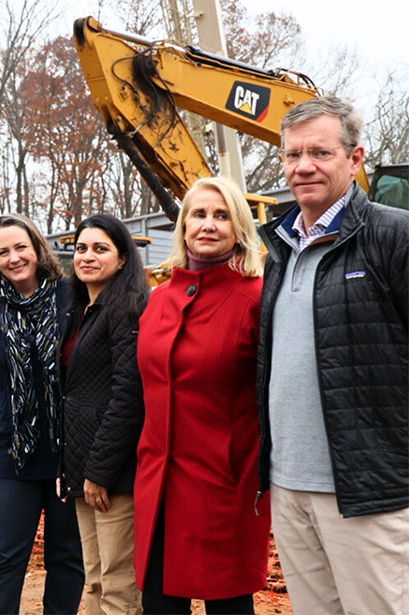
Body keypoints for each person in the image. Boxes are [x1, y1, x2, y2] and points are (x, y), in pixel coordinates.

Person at [256, 96, 409, 613]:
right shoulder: (278, 249)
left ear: (355, 158)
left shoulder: (393, 236)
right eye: (292, 154)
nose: (303, 166)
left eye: (319, 153)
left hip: (369, 490)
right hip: (288, 484)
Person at [135, 176, 269, 614]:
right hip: (159, 485)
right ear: (184, 225)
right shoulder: (158, 300)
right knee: (158, 603)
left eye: (221, 215)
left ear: (239, 228)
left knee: (228, 605)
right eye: (198, 214)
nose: (208, 225)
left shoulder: (256, 298)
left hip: (224, 484)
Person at [0, 213, 84, 614]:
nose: (14, 257)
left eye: (21, 247)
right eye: (4, 252)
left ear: (37, 249)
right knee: (2, 560)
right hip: (7, 457)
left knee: (67, 559)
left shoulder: (73, 298)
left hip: (65, 455)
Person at [59, 214, 149, 615]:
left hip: (113, 475)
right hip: (83, 468)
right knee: (94, 581)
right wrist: (73, 468)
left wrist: (99, 471)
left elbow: (129, 394)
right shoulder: (81, 310)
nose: (87, 257)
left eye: (100, 248)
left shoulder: (126, 309)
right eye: (81, 249)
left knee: (117, 587)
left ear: (123, 258)